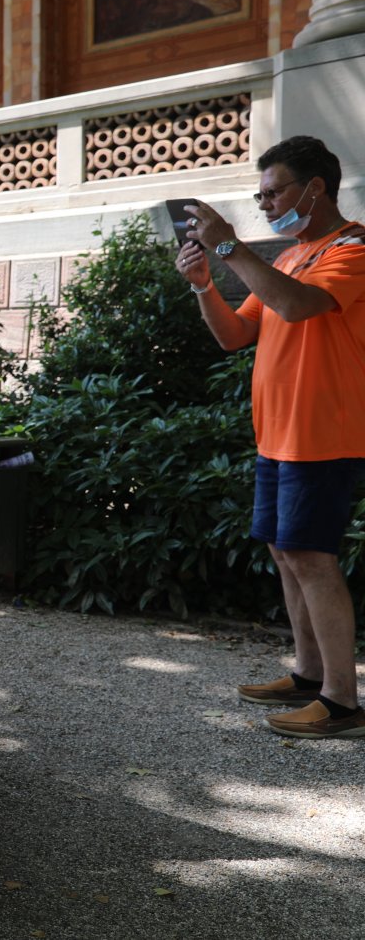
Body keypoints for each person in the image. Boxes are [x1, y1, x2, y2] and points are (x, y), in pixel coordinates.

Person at [177, 135, 365, 739]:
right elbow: (234, 335)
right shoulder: (286, 258)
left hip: (325, 433)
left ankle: (342, 702)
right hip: (278, 436)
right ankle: (310, 675)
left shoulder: (354, 248)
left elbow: (298, 307)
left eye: (272, 192)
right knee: (287, 554)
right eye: (259, 196)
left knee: (311, 556)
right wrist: (204, 282)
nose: (264, 205)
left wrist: (228, 246)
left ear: (315, 188)